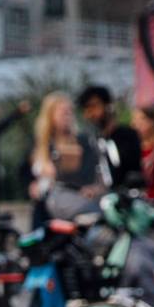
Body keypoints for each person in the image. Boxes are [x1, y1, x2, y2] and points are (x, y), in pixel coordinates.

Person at [28, 91, 109, 226]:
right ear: (50, 115)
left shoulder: (81, 142)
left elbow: (87, 172)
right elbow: (27, 171)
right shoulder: (42, 143)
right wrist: (31, 184)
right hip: (43, 207)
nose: (68, 116)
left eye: (70, 112)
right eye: (63, 112)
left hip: (70, 203)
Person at [76, 83, 142, 187]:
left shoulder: (128, 136)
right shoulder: (87, 141)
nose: (90, 113)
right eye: (86, 109)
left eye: (94, 106)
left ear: (108, 106)